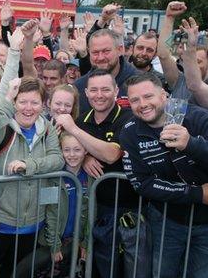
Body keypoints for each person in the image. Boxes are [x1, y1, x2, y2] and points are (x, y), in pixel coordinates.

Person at [120, 72, 208, 278]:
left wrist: (192, 145)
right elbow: (142, 183)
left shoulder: (198, 117)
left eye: (148, 96)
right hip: (166, 221)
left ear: (164, 95)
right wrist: (196, 193)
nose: (142, 104)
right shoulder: (130, 132)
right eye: (135, 100)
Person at [54, 69, 146, 278]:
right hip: (95, 209)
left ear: (115, 91)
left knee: (134, 268)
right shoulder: (83, 119)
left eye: (105, 89)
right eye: (94, 90)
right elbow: (72, 149)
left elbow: (112, 154)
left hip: (129, 208)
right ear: (86, 93)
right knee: (102, 267)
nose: (99, 94)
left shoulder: (128, 117)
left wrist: (76, 132)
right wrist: (85, 156)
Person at [0, 75, 63, 277]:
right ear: (14, 102)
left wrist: (29, 165)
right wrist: (6, 99)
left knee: (17, 273)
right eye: (22, 101)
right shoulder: (3, 127)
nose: (28, 108)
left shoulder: (47, 128)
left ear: (43, 105)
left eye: (35, 102)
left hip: (32, 223)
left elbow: (57, 160)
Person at [15, 132, 89, 277]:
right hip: (51, 242)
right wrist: (54, 245)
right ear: (60, 151)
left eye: (77, 150)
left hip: (76, 241)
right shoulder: (53, 177)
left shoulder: (90, 177)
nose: (72, 155)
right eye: (66, 150)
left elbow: (91, 212)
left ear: (86, 150)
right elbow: (50, 212)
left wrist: (86, 243)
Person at [73, 28, 139, 113]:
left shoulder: (140, 82)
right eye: (95, 52)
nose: (101, 57)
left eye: (106, 51)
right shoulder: (79, 87)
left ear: (120, 50)